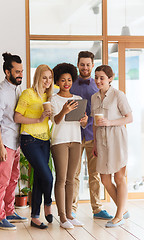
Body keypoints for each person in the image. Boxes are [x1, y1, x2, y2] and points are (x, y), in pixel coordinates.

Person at [70, 51, 113, 219]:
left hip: (93, 136)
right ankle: (72, 209)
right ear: (78, 65)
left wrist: (88, 121)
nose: (85, 67)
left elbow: (102, 112)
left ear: (92, 65)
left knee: (94, 174)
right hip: (74, 134)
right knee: (73, 174)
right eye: (82, 64)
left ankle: (97, 209)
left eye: (88, 64)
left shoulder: (98, 85)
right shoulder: (71, 84)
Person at [91, 65, 133, 227]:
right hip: (101, 142)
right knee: (104, 179)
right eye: (96, 77)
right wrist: (95, 143)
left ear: (110, 78)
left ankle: (118, 216)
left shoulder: (118, 95)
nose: (98, 80)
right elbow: (95, 123)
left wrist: (110, 122)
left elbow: (129, 118)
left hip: (117, 139)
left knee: (119, 177)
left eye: (102, 77)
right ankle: (123, 210)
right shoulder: (95, 98)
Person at [0, 52, 28, 230]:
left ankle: (9, 211)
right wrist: (0, 146)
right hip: (4, 142)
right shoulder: (1, 92)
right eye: (17, 71)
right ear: (7, 72)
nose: (20, 74)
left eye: (21, 71)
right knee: (1, 180)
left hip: (15, 141)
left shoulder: (16, 88)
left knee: (13, 178)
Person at [14, 64, 54, 230]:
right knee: (48, 176)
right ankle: (48, 205)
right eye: (44, 77)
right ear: (38, 77)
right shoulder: (28, 93)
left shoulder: (48, 95)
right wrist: (38, 119)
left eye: (50, 78)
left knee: (39, 177)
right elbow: (17, 117)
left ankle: (35, 217)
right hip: (29, 140)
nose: (48, 81)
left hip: (45, 140)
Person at [50, 63, 88, 229]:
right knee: (61, 179)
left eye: (69, 80)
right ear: (57, 81)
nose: (67, 83)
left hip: (76, 141)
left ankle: (70, 215)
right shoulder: (53, 99)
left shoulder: (78, 99)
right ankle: (63, 217)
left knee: (71, 179)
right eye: (63, 80)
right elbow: (55, 121)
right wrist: (64, 111)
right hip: (59, 141)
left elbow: (82, 125)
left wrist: (85, 121)